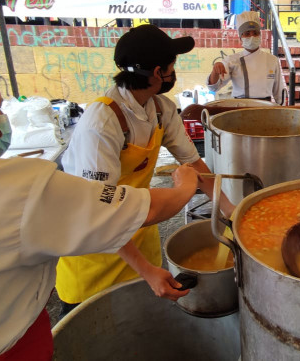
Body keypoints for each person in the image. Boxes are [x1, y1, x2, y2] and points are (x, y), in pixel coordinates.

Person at [0, 41, 199, 359]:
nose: (3, 119)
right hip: (88, 260)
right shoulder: (11, 182)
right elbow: (126, 210)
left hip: (129, 233)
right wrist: (185, 188)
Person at [57, 25, 234, 316]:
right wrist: (146, 270)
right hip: (94, 251)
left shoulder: (161, 108)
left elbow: (194, 165)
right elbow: (100, 210)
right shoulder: (102, 123)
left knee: (140, 329)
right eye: (172, 64)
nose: (174, 70)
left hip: (138, 236)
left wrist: (231, 211)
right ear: (157, 73)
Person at [207, 11, 284, 103]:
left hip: (265, 108)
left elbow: (279, 93)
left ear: (260, 35)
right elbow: (214, 87)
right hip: (240, 107)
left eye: (255, 33)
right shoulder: (231, 60)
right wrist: (215, 71)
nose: (252, 36)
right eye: (247, 33)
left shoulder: (272, 60)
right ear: (240, 38)